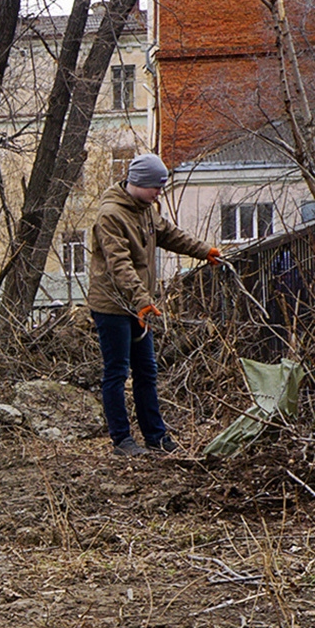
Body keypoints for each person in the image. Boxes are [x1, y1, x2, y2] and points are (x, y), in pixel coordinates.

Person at [87, 153, 222, 457]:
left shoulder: (146, 208)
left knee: (147, 371)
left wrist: (204, 251)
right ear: (139, 183)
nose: (160, 193)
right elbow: (119, 265)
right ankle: (122, 440)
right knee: (117, 372)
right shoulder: (111, 215)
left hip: (139, 305)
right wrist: (142, 301)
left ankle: (156, 437)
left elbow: (169, 234)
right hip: (113, 305)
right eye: (156, 188)